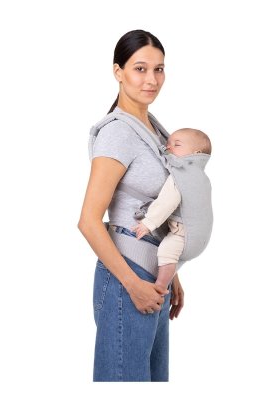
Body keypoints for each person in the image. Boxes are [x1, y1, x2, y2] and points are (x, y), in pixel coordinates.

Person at [77, 29, 184, 382]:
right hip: (128, 278)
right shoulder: (118, 133)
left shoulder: (154, 129)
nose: (151, 79)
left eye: (159, 69)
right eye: (140, 69)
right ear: (118, 71)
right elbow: (88, 221)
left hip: (154, 279)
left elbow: (158, 207)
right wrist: (132, 283)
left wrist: (171, 271)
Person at [131, 128, 212, 290]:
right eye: (168, 144)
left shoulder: (180, 175)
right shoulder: (201, 177)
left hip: (183, 234)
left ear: (195, 153)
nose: (169, 147)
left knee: (166, 251)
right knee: (172, 258)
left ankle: (161, 286)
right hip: (200, 237)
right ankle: (168, 278)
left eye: (177, 144)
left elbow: (167, 201)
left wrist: (148, 223)